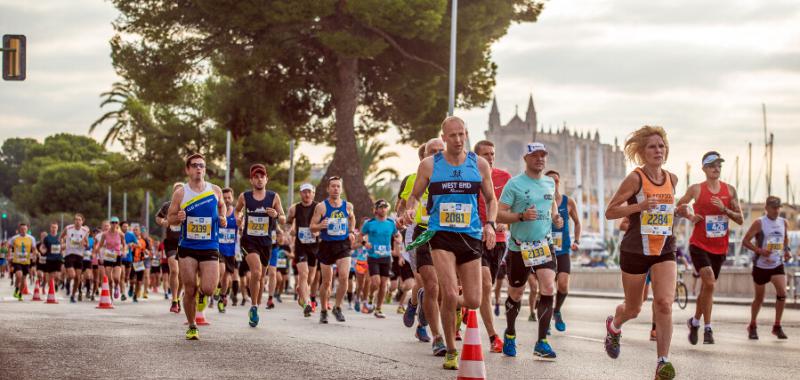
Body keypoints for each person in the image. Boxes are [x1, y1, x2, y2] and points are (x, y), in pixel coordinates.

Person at [402, 116, 498, 370]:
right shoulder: (429, 165)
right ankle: (451, 350)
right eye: (452, 135)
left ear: (466, 134)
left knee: (475, 300)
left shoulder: (478, 164)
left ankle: (430, 301)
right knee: (448, 292)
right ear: (444, 138)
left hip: (470, 235)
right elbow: (414, 196)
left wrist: (491, 224)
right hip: (441, 234)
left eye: (461, 134)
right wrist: (410, 210)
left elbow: (491, 199)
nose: (457, 139)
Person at [603, 126, 678, 380]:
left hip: (664, 247)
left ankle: (662, 362)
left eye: (661, 146)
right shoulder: (635, 179)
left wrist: (683, 212)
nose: (658, 150)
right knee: (634, 308)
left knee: (665, 303)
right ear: (642, 152)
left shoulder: (672, 179)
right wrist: (640, 206)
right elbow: (610, 211)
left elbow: (667, 211)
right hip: (636, 249)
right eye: (652, 147)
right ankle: (614, 326)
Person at [496, 142, 563, 359]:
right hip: (518, 246)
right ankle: (510, 333)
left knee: (548, 287)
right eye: (535, 155)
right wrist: (520, 216)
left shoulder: (549, 183)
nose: (540, 159)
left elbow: (551, 203)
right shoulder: (514, 184)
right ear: (525, 158)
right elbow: (499, 214)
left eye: (543, 155)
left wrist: (555, 217)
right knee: (515, 293)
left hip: (544, 245)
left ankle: (542, 341)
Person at [676, 151, 743, 345]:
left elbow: (739, 219)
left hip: (719, 247)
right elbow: (679, 206)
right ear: (704, 168)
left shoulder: (729, 191)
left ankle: (695, 321)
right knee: (710, 283)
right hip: (698, 245)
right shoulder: (696, 189)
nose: (716, 168)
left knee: (707, 288)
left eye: (719, 165)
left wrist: (724, 209)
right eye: (712, 165)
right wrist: (689, 216)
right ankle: (708, 328)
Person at [167, 153, 227, 340]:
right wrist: (178, 217)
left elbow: (222, 206)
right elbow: (170, 218)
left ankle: (199, 296)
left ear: (205, 169)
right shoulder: (181, 193)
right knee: (190, 287)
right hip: (188, 246)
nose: (198, 168)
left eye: (201, 165)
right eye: (194, 165)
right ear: (188, 169)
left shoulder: (215, 190)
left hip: (210, 244)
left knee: (209, 288)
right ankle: (192, 325)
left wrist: (223, 217)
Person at [398, 139, 446, 352]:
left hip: (443, 233)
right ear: (423, 157)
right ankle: (426, 325)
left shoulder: (451, 178)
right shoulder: (412, 179)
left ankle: (420, 315)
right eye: (431, 152)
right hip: (416, 233)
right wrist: (402, 216)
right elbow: (402, 205)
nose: (436, 155)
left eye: (440, 151)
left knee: (436, 287)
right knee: (425, 281)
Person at [235, 163, 285, 327]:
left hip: (265, 242)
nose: (259, 179)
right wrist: (238, 218)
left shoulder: (273, 197)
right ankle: (254, 306)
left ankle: (255, 304)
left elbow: (284, 218)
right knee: (256, 272)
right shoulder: (245, 197)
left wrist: (276, 214)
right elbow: (237, 211)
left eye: (262, 176)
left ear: (266, 179)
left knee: (261, 276)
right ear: (251, 180)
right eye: (256, 177)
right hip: (249, 241)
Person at [474, 139, 512, 353]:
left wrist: (503, 222)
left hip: (498, 242)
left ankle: (457, 304)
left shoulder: (504, 177)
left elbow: (510, 207)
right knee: (486, 285)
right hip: (473, 238)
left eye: (492, 154)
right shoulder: (470, 176)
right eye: (485, 154)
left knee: (479, 291)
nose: (490, 157)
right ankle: (493, 336)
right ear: (477, 157)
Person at [742, 196, 790, 340]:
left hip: (777, 264)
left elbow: (785, 238)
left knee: (782, 293)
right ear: (767, 208)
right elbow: (745, 241)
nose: (777, 210)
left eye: (778, 207)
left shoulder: (784, 222)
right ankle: (752, 325)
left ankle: (777, 326)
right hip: (761, 266)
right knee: (759, 298)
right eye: (774, 208)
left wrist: (786, 251)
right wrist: (760, 251)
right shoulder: (759, 223)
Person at [310, 176, 357, 324]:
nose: (335, 189)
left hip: (343, 244)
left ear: (341, 189)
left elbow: (352, 218)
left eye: (338, 186)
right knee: (326, 282)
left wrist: (351, 232)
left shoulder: (348, 206)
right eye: (333, 186)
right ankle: (324, 310)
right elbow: (312, 227)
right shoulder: (321, 207)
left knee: (344, 277)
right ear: (328, 189)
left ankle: (337, 307)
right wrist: (320, 226)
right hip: (326, 245)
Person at [545, 170, 581, 333]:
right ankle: (544, 322)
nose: (554, 183)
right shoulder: (542, 201)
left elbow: (577, 223)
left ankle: (557, 310)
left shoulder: (568, 202)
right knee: (546, 289)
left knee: (564, 286)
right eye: (550, 180)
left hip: (563, 250)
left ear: (560, 183)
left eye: (556, 180)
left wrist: (577, 241)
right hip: (545, 249)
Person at [361, 199, 402, 319]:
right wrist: (365, 243)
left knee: (384, 284)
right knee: (375, 282)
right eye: (381, 207)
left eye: (385, 207)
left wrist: (398, 239)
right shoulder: (370, 223)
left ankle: (378, 309)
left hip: (386, 257)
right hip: (373, 256)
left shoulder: (391, 223)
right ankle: (370, 297)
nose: (383, 209)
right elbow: (360, 236)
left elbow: (397, 234)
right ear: (376, 209)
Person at [287, 183, 320, 317]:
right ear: (300, 193)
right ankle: (306, 303)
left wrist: (318, 231)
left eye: (309, 192)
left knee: (310, 279)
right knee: (304, 274)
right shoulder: (294, 208)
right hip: (300, 246)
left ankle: (302, 291)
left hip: (314, 246)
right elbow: (288, 222)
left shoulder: (319, 207)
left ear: (313, 193)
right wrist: (291, 230)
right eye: (304, 192)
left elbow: (325, 223)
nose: (307, 194)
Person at [156, 183, 184, 313]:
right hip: (171, 243)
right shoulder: (167, 205)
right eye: (176, 190)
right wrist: (163, 222)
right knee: (174, 270)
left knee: (183, 276)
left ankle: (178, 297)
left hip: (185, 242)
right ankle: (174, 300)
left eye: (181, 190)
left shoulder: (189, 205)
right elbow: (158, 217)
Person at [217, 187, 238, 313]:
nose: (227, 200)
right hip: (218, 247)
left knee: (227, 278)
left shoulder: (236, 213)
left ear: (232, 198)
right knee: (221, 269)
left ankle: (222, 297)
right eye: (224, 198)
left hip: (231, 250)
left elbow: (241, 227)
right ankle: (215, 289)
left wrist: (241, 225)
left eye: (229, 197)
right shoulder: (216, 211)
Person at [95, 217, 126, 300]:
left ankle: (117, 286)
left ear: (118, 224)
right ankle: (110, 297)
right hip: (108, 257)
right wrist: (99, 256)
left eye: (116, 222)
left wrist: (124, 251)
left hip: (117, 256)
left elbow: (124, 244)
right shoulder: (105, 234)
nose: (114, 224)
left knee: (116, 278)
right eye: (112, 222)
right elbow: (100, 245)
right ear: (110, 223)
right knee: (109, 279)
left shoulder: (121, 234)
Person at [61, 213, 89, 303]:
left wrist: (85, 244)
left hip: (79, 256)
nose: (77, 221)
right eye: (76, 220)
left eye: (79, 220)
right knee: (72, 275)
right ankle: (68, 281)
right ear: (74, 221)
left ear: (82, 221)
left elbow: (87, 243)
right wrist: (62, 244)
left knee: (78, 278)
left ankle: (73, 296)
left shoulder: (85, 231)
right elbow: (60, 237)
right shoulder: (68, 228)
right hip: (69, 254)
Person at [9, 222, 38, 301]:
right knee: (19, 276)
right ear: (19, 230)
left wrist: (34, 256)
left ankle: (20, 294)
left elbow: (34, 249)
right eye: (22, 229)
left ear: (27, 229)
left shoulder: (31, 238)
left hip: (26, 262)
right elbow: (10, 247)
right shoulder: (14, 238)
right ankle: (16, 289)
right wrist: (9, 256)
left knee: (24, 279)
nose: (23, 230)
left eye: (25, 229)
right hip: (17, 261)